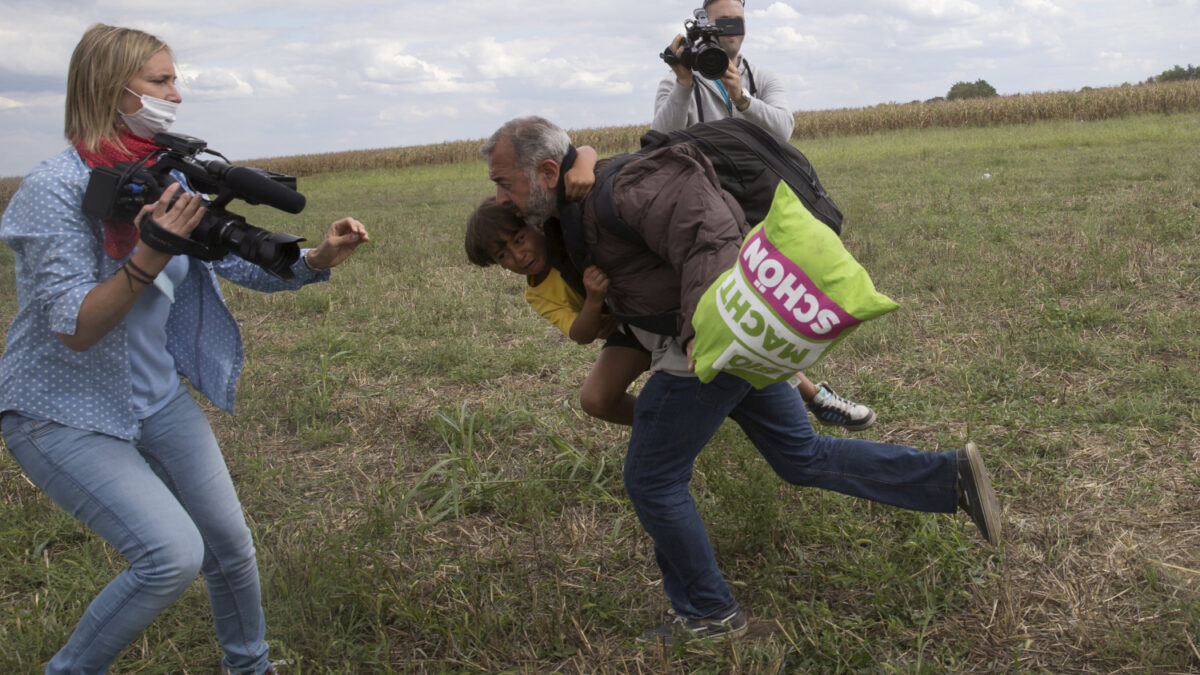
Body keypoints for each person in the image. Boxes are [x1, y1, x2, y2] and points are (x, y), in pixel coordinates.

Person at [482, 115, 1001, 646]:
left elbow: (709, 232)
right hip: (724, 343)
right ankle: (948, 477)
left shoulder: (623, 184)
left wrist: (697, 331)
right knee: (803, 457)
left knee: (651, 479)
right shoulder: (571, 202)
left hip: (705, 346)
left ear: (546, 170)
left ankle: (709, 614)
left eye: (503, 182)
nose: (501, 198)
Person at [0, 24, 369, 674]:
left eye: (175, 78)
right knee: (170, 555)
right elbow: (75, 326)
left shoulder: (169, 175)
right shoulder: (53, 189)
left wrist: (315, 256)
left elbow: (234, 260)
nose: (178, 92)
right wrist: (150, 250)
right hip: (60, 409)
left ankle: (249, 667)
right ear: (116, 90)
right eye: (162, 80)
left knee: (229, 543)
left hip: (155, 397)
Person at [464, 198, 878, 430]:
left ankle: (819, 398)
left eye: (518, 239)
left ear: (534, 224)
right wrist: (592, 301)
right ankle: (679, 428)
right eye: (503, 256)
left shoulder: (565, 229)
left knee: (738, 344)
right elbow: (579, 333)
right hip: (626, 328)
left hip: (660, 307)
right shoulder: (536, 291)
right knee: (595, 399)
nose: (518, 256)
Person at [652, 0, 795, 144]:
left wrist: (743, 100)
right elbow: (659, 142)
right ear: (704, 26)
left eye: (737, 22)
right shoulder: (674, 82)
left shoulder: (763, 78)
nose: (730, 28)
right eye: (722, 22)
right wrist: (683, 85)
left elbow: (784, 132)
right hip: (700, 166)